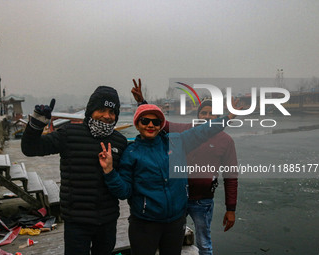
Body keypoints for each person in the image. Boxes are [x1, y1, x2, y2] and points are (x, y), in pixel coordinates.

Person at [99, 102, 237, 255]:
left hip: (175, 222)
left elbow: (203, 131)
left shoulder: (175, 142)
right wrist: (109, 171)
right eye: (145, 121)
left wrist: (228, 117)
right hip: (145, 224)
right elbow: (124, 191)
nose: (150, 125)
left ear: (161, 125)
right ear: (137, 125)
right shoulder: (131, 153)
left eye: (156, 122)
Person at [132, 79, 238, 255]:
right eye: (203, 112)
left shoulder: (226, 141)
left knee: (204, 242)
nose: (207, 116)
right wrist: (142, 103)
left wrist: (231, 209)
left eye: (212, 113)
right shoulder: (184, 131)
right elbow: (159, 124)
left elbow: (231, 177)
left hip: (203, 202)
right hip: (177, 200)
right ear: (198, 115)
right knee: (172, 239)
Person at [21, 86, 128, 255]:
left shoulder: (120, 142)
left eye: (112, 111)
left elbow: (124, 189)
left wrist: (109, 171)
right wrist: (36, 123)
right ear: (91, 110)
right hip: (77, 222)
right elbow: (30, 148)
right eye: (101, 109)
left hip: (107, 221)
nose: (107, 116)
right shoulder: (69, 134)